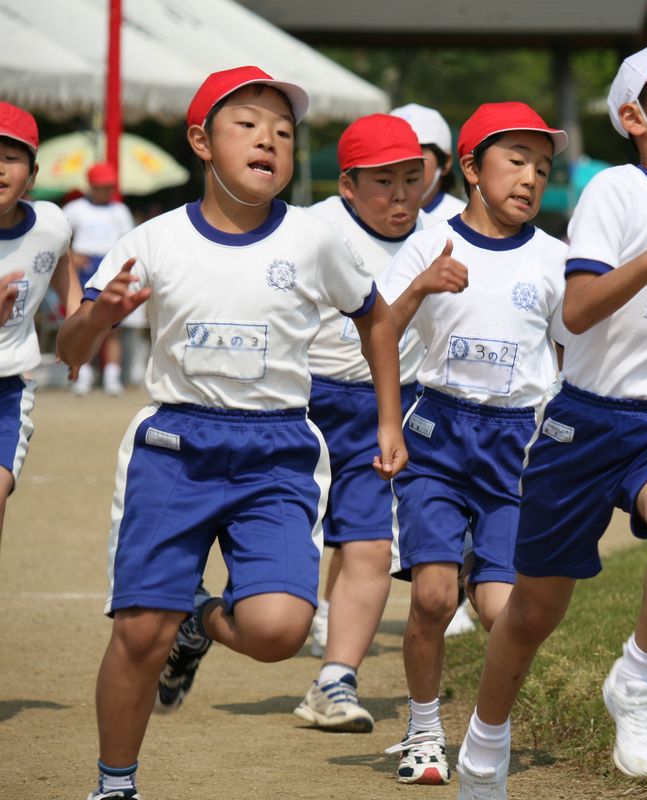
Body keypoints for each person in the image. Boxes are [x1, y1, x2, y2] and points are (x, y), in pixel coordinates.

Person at [56, 66, 405, 800]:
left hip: (277, 449)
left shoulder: (315, 241)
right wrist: (97, 313)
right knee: (138, 635)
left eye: (283, 131)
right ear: (201, 142)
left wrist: (384, 418)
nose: (269, 140)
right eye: (248, 125)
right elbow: (72, 352)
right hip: (173, 448)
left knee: (278, 631)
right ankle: (115, 785)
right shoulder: (152, 240)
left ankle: (198, 617)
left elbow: (375, 317)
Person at [454, 39, 647, 797]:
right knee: (531, 614)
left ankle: (638, 677)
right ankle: (483, 744)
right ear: (634, 116)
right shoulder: (615, 195)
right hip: (583, 423)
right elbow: (579, 310)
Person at [377, 101, 569, 787]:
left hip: (516, 446)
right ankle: (423, 730)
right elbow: (381, 331)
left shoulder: (555, 260)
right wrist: (390, 424)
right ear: (470, 168)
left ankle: (489, 729)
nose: (529, 179)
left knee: (501, 612)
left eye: (541, 169)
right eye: (515, 161)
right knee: (431, 597)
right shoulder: (429, 242)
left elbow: (574, 352)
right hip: (437, 433)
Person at [291, 113, 426, 733]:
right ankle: (197, 616)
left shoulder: (439, 234)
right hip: (301, 406)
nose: (400, 196)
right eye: (382, 183)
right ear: (347, 185)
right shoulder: (310, 231)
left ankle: (334, 680)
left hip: (383, 410)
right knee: (283, 560)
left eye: (411, 178)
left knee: (371, 546)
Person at [390, 102, 477, 638]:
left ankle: (460, 594)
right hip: (371, 382)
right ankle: (331, 611)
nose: (402, 177)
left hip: (434, 386)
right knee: (360, 509)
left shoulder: (459, 221)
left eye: (415, 162)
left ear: (444, 164)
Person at [0, 102, 81, 541]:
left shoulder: (50, 223)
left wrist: (77, 328)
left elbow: (64, 268)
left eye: (11, 158)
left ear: (31, 177)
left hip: (8, 387)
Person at [63, 162, 135, 395]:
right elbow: (58, 238)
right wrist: (72, 255)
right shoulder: (75, 208)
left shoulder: (120, 210)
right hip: (84, 267)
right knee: (81, 320)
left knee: (113, 326)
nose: (105, 190)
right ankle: (82, 374)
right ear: (91, 186)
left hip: (110, 266)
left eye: (108, 186)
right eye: (101, 186)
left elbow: (129, 241)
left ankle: (112, 376)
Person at [392, 103, 467, 223]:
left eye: (417, 150)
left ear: (446, 162)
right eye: (392, 151)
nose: (401, 160)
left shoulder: (465, 222)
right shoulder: (364, 212)